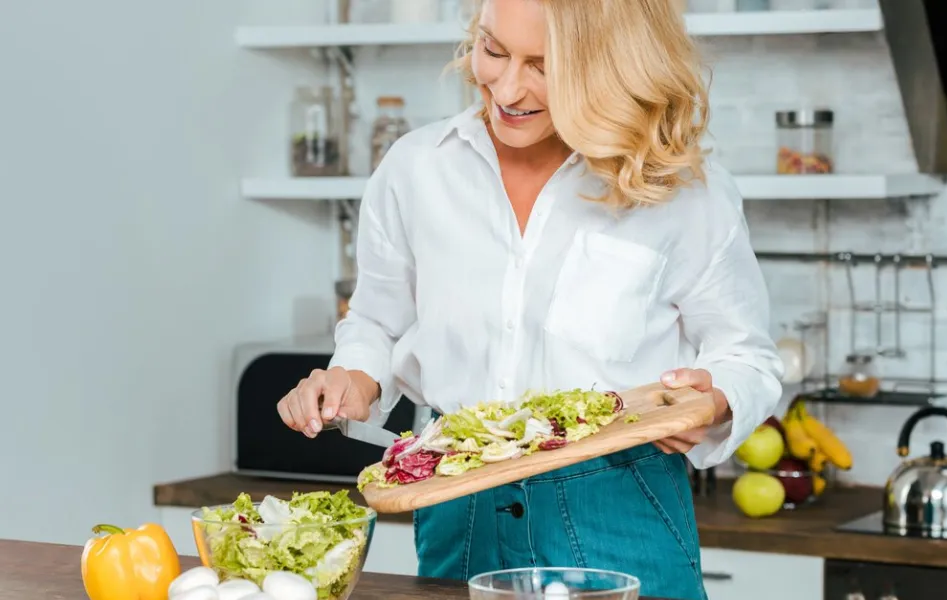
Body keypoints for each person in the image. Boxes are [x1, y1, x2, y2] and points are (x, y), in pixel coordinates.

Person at [276, 1, 783, 598]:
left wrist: (713, 398)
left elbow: (746, 355)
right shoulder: (417, 169)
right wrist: (350, 380)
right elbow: (378, 321)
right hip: (458, 500)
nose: (508, 87)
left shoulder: (683, 191)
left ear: (611, 66)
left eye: (544, 65)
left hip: (619, 495)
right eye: (493, 50)